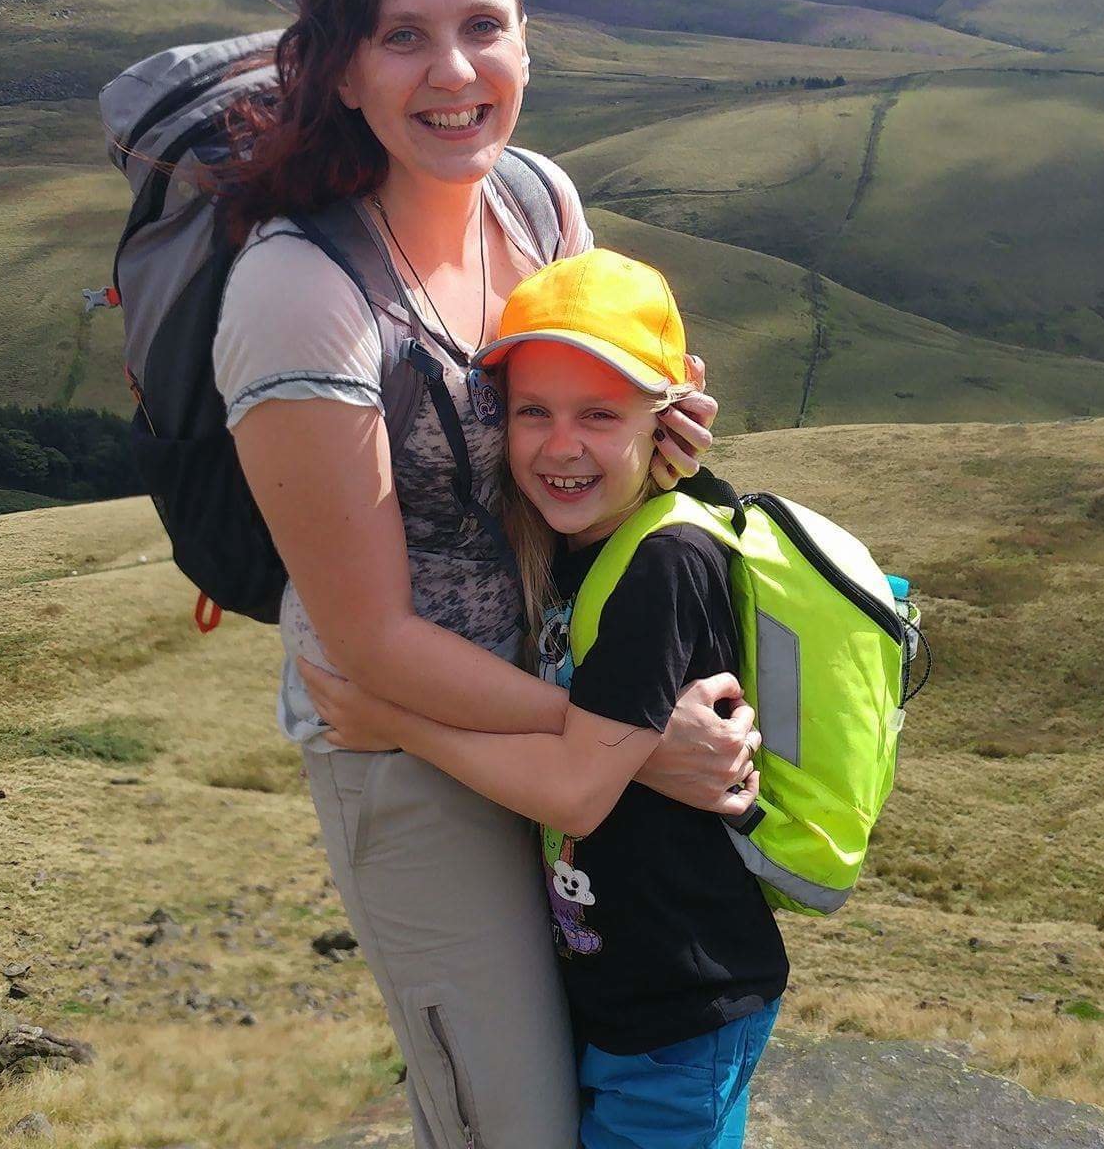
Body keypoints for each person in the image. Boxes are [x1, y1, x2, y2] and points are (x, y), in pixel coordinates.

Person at [212, 0, 761, 1149]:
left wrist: (652, 440)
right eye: (404, 38)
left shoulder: (536, 201)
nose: (453, 73)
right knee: (511, 1121)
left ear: (527, 42)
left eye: (482, 26)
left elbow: (585, 453)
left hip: (571, 714)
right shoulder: (302, 295)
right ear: (342, 68)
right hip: (405, 745)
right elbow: (369, 644)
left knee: (612, 1077)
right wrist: (624, 751)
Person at [301, 248, 789, 1149]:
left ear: (668, 413)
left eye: (599, 415)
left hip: (683, 1007)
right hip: (619, 989)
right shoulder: (573, 542)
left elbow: (575, 791)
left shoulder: (662, 563)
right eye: (533, 412)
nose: (560, 447)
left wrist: (393, 722)